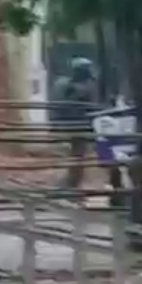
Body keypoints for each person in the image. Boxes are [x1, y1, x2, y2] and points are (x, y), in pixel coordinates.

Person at [53, 57, 99, 190]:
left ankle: (73, 183)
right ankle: (72, 184)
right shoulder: (78, 87)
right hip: (77, 125)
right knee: (78, 155)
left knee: (78, 155)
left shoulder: (68, 85)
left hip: (75, 125)